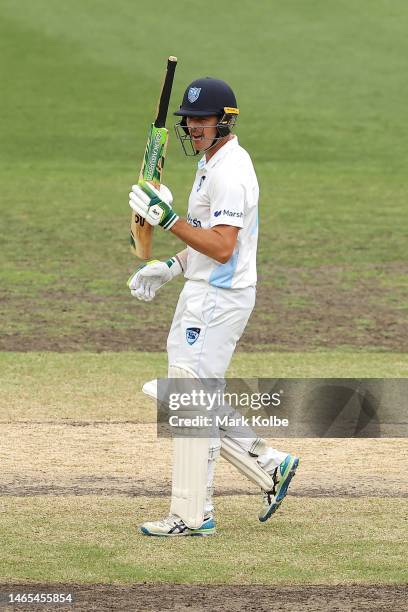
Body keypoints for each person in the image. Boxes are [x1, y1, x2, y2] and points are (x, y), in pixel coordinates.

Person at [128, 77, 299, 536]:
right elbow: (208, 242)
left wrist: (169, 221)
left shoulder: (230, 172)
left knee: (189, 397)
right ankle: (268, 463)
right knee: (191, 395)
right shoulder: (212, 164)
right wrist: (170, 265)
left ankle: (192, 514)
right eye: (189, 121)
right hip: (206, 293)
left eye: (203, 120)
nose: (194, 128)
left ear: (225, 121)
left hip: (220, 299)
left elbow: (224, 248)